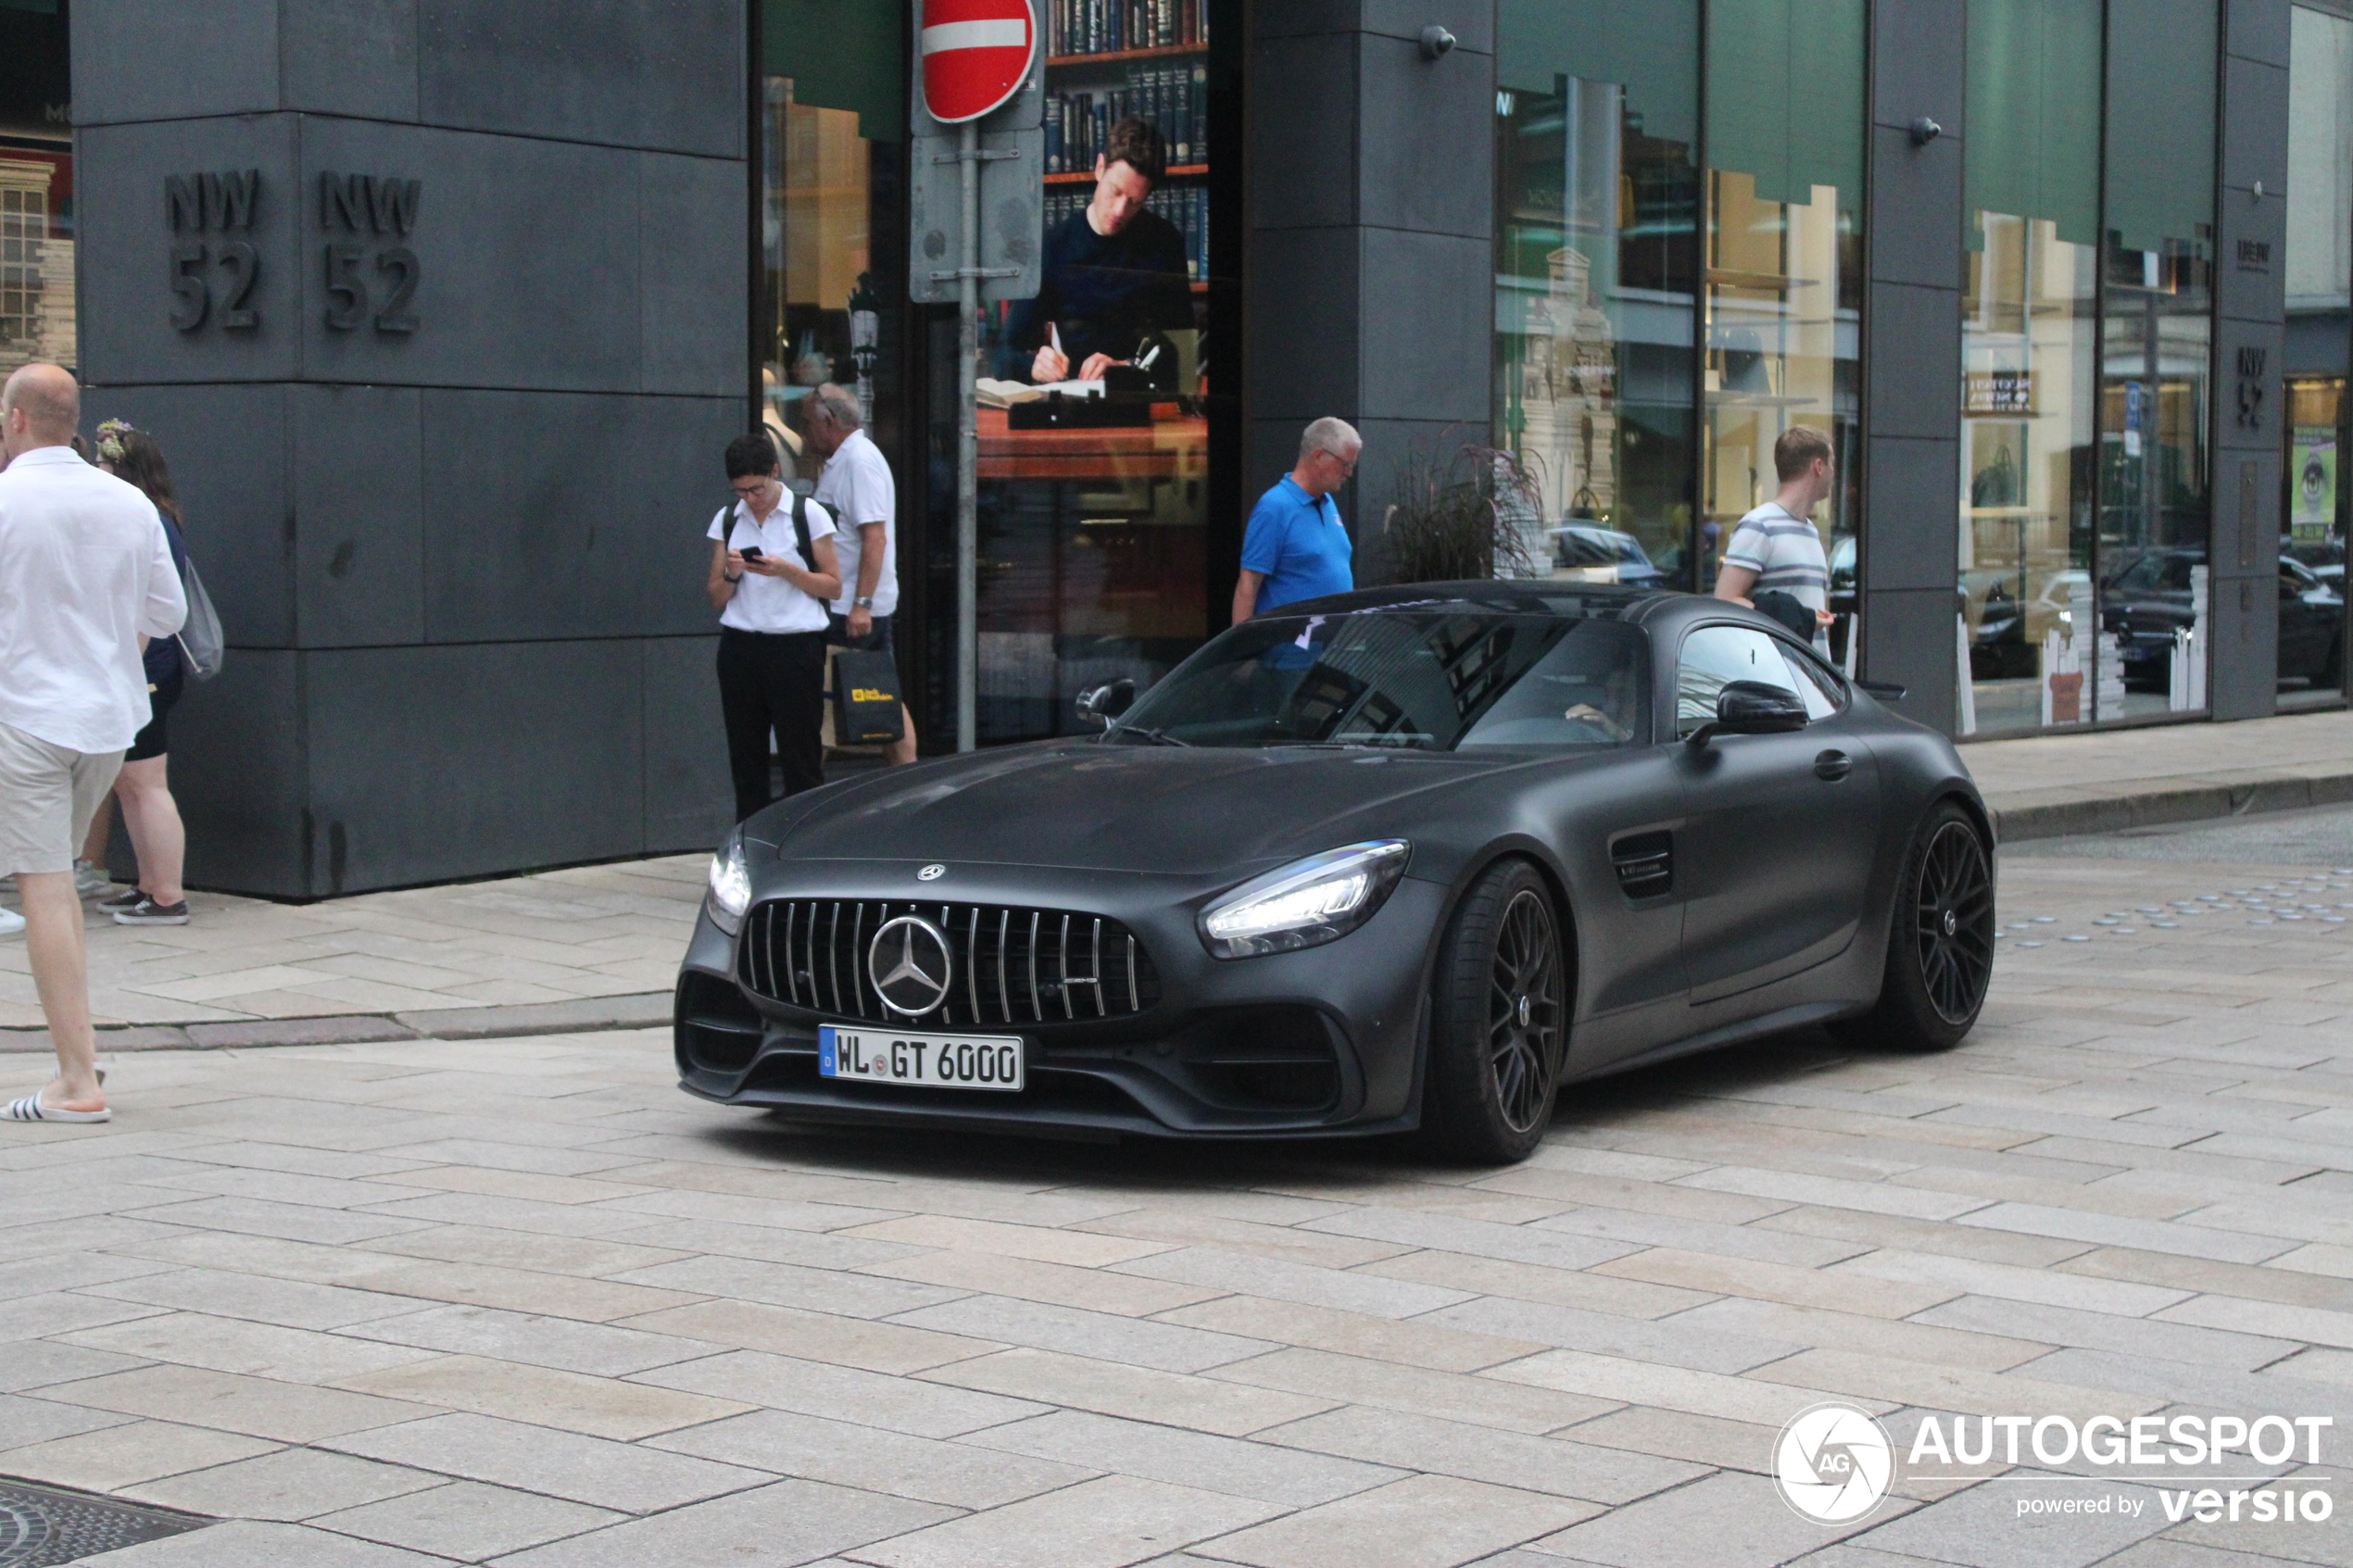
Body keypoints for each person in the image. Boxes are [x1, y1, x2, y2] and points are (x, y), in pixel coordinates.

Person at [0, 364, 186, 1123]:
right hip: (108, 721)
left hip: (27, 716)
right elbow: (165, 612)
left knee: (42, 886)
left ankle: (77, 1080)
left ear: (15, 419)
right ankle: (79, 1051)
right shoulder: (128, 503)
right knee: (59, 888)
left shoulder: (6, 499)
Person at [76, 421, 194, 925]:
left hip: (146, 667)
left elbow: (159, 605)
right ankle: (150, 886)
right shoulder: (151, 517)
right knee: (130, 782)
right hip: (141, 665)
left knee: (146, 782)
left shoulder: (149, 520)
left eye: (105, 468)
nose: (98, 477)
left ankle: (167, 894)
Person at [1001, 117, 1193, 385]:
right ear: (1100, 168)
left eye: (1134, 202)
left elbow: (1183, 358)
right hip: (1076, 398)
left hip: (1143, 400)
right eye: (1115, 191)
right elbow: (1003, 353)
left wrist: (1124, 368)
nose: (1119, 212)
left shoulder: (1165, 243)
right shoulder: (1054, 247)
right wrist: (1034, 365)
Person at [709, 432, 840, 822]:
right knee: (746, 757)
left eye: (757, 488)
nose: (750, 498)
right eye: (741, 491)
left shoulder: (808, 513)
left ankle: (802, 850)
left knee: (800, 756)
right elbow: (715, 596)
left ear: (775, 471)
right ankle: (749, 851)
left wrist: (786, 570)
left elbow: (833, 586)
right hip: (740, 646)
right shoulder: (728, 518)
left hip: (795, 646)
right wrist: (732, 575)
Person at [804, 383, 918, 765]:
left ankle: (804, 788)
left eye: (808, 423)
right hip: (846, 602)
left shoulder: (859, 462)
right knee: (879, 694)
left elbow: (875, 538)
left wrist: (861, 606)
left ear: (829, 422)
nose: (805, 432)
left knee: (822, 701)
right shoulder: (846, 460)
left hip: (849, 606)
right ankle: (907, 779)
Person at [1715, 425, 1837, 653]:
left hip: (1811, 677)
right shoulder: (1759, 526)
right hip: (1778, 677)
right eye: (1832, 464)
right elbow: (1725, 600)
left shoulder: (1810, 531)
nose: (1833, 474)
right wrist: (1800, 617)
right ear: (1819, 466)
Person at [1233, 418, 1362, 621]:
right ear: (1319, 456)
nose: (1349, 472)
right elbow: (1248, 585)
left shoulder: (1327, 502)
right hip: (1288, 648)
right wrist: (1240, 650)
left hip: (1330, 646)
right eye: (1345, 463)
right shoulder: (1274, 507)